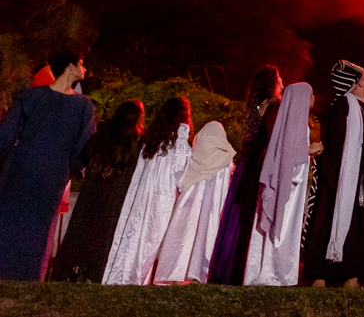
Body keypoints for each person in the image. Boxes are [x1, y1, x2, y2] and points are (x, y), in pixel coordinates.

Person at [0, 49, 95, 281]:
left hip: (33, 171)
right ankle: (20, 275)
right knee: (26, 225)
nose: (85, 69)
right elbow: (84, 149)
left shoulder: (38, 98)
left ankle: (17, 274)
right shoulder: (41, 98)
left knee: (25, 225)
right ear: (70, 67)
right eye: (81, 64)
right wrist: (71, 169)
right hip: (38, 172)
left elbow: (5, 136)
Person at [305, 61, 364, 288]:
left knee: (359, 227)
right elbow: (339, 140)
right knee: (330, 219)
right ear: (358, 82)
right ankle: (320, 276)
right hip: (343, 179)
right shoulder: (342, 105)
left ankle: (351, 276)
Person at [51, 100, 144, 283]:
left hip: (92, 195)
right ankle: (96, 276)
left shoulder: (102, 135)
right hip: (116, 199)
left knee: (81, 234)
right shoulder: (139, 143)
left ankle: (70, 273)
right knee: (104, 239)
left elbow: (84, 156)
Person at [104, 96, 193, 285]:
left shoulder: (152, 140)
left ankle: (118, 278)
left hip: (140, 195)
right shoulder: (180, 145)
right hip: (161, 200)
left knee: (131, 237)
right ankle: (134, 282)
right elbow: (182, 177)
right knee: (148, 243)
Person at [209, 65, 283, 285]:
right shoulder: (275, 106)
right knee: (253, 220)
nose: (282, 82)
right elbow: (274, 139)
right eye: (279, 79)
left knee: (241, 219)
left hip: (248, 164)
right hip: (260, 166)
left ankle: (231, 270)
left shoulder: (256, 105)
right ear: (272, 83)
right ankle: (249, 272)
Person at [245, 82, 321, 286]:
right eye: (311, 94)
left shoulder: (285, 121)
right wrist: (309, 150)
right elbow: (291, 159)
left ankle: (262, 272)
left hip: (282, 184)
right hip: (289, 190)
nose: (314, 99)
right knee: (284, 225)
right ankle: (275, 274)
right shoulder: (298, 124)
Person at [154, 120, 236, 284]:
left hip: (188, 208)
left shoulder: (194, 155)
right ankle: (199, 275)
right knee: (205, 237)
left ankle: (177, 273)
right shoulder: (226, 160)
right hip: (211, 210)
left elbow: (183, 179)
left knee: (183, 237)